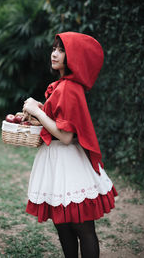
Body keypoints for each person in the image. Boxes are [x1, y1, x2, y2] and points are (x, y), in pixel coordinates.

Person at [23, 32, 118, 258]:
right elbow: (58, 122)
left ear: (72, 56)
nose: (54, 53)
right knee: (63, 226)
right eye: (54, 48)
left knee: (82, 228)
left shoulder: (69, 87)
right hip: (56, 160)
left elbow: (65, 136)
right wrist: (39, 109)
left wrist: (37, 111)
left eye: (61, 50)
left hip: (68, 162)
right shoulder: (62, 85)